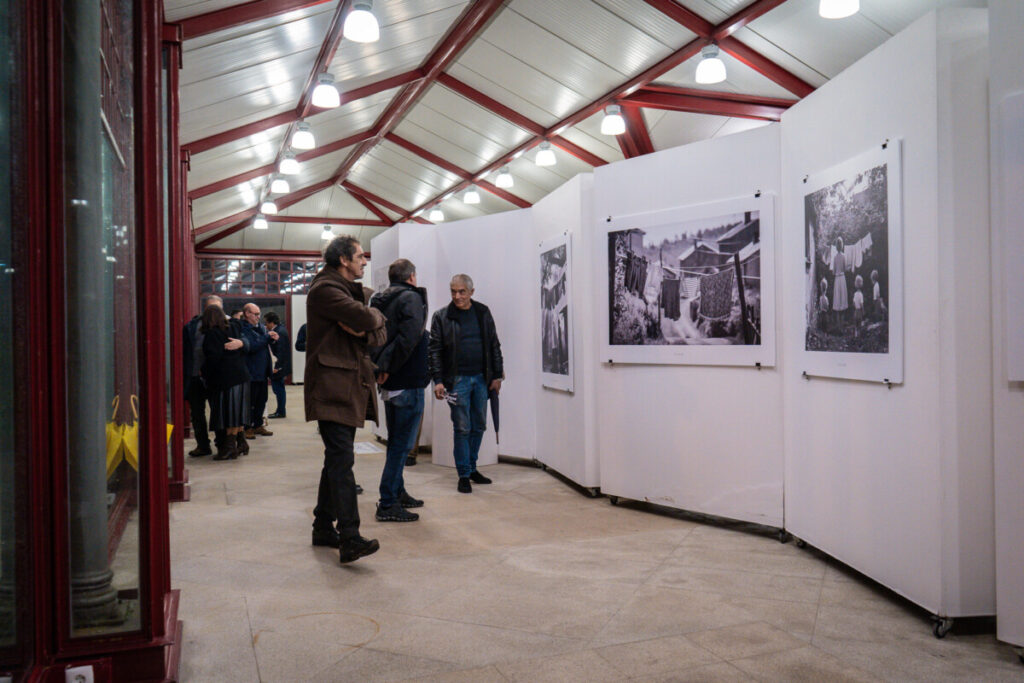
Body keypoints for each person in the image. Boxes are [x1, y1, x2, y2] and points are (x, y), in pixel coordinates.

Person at [305, 235, 386, 563]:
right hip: (332, 388)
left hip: (343, 387)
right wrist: (373, 316)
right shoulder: (326, 290)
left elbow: (376, 332)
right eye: (360, 257)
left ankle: (323, 527)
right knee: (342, 461)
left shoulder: (341, 290)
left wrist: (371, 319)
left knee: (336, 459)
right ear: (343, 260)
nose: (364, 262)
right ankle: (349, 536)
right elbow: (370, 321)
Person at [428, 274, 503, 494]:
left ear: (471, 291)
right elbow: (434, 351)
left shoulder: (482, 312)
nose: (457, 296)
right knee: (462, 427)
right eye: (453, 291)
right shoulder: (441, 316)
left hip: (482, 378)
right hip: (456, 380)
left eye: (461, 291)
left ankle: (471, 468)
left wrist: (497, 375)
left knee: (479, 425)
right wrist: (438, 380)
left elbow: (494, 345)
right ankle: (463, 474)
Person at [369, 259, 428, 522]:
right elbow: (409, 339)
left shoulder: (378, 300)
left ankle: (398, 490)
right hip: (406, 379)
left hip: (391, 381)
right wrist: (389, 366)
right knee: (401, 445)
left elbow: (375, 339)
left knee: (396, 442)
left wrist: (381, 366)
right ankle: (388, 502)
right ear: (412, 277)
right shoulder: (410, 298)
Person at [200, 305, 250, 460]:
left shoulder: (212, 334)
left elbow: (212, 358)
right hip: (242, 375)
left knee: (228, 414)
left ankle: (229, 448)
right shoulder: (234, 327)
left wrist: (204, 373)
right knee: (237, 412)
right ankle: (241, 443)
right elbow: (246, 340)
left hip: (225, 379)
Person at [183, 295, 225, 457]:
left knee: (219, 411)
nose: (213, 312)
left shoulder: (227, 325)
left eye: (217, 308)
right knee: (197, 413)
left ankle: (221, 443)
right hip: (195, 376)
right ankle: (203, 445)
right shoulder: (192, 326)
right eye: (210, 308)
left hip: (215, 377)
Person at [241, 303, 274, 439]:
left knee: (262, 400)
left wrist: (273, 339)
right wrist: (267, 337)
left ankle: (258, 425)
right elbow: (252, 346)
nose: (258, 317)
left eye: (259, 314)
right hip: (251, 372)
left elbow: (264, 344)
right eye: (255, 314)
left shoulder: (261, 328)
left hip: (262, 372)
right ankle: (247, 427)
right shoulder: (243, 329)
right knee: (250, 402)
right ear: (247, 314)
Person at [264, 311, 291, 418]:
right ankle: (280, 411)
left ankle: (281, 411)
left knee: (278, 389)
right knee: (279, 389)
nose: (265, 325)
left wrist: (277, 366)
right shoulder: (279, 329)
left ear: (271, 322)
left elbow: (281, 351)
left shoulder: (279, 332)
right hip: (280, 365)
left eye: (266, 323)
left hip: (279, 367)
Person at [831, 237, 849, 325]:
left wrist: (836, 271)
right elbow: (845, 269)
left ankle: (838, 325)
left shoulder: (834, 257)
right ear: (842, 246)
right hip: (842, 278)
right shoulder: (844, 256)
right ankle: (842, 323)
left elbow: (833, 271)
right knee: (843, 299)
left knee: (837, 299)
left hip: (837, 279)